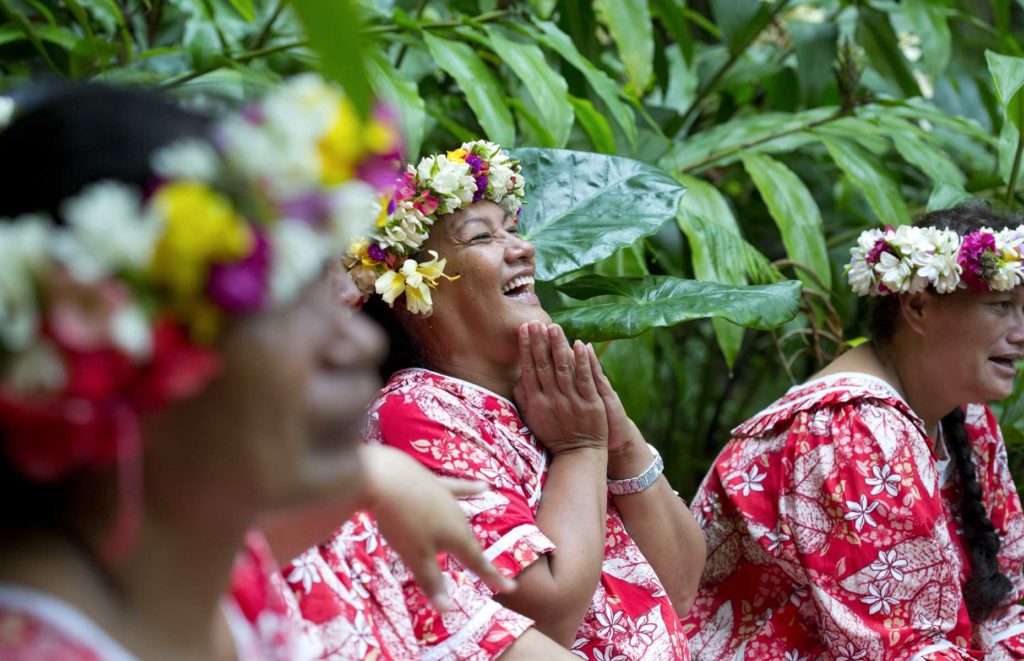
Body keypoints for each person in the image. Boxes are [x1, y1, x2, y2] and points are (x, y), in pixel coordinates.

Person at [0, 79, 571, 660]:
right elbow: (553, 603)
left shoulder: (233, 567)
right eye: (283, 296)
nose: (358, 344)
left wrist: (372, 477)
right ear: (111, 355)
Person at [337, 141, 707, 660]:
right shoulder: (414, 411)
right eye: (483, 236)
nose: (523, 248)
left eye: (513, 229)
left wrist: (621, 442)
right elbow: (545, 613)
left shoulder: (546, 404)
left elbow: (683, 587)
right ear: (416, 294)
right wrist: (582, 448)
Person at [682, 202, 1024, 660]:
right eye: (1001, 306)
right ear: (917, 306)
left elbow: (1006, 606)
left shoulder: (967, 417)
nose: (1020, 331)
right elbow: (901, 649)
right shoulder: (848, 431)